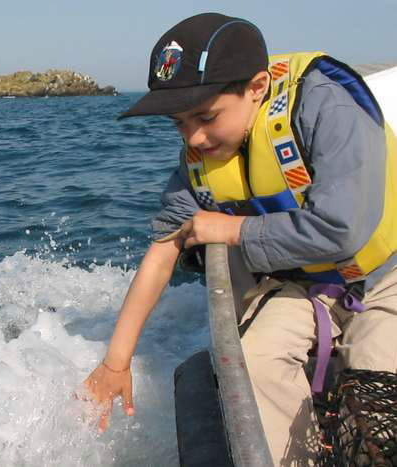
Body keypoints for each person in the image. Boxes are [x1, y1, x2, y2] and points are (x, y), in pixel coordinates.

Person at [83, 12, 397, 465]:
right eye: (179, 123)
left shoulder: (327, 106)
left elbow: (341, 228)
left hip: (382, 276)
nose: (193, 136)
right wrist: (116, 361)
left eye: (206, 117)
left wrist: (233, 229)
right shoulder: (199, 158)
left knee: (373, 391)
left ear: (256, 87)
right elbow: (165, 248)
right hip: (299, 284)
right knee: (254, 358)